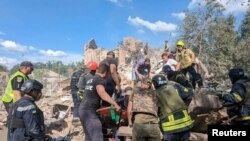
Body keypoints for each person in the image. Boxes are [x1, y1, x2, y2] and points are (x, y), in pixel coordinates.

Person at [78, 63, 120, 141]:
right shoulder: (100, 80)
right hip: (89, 112)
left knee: (89, 137)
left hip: (82, 110)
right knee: (97, 137)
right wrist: (115, 104)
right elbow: (102, 94)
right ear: (105, 73)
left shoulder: (91, 79)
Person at [152, 75, 193, 141]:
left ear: (154, 83)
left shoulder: (155, 94)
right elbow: (189, 93)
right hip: (185, 124)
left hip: (170, 128)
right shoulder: (175, 86)